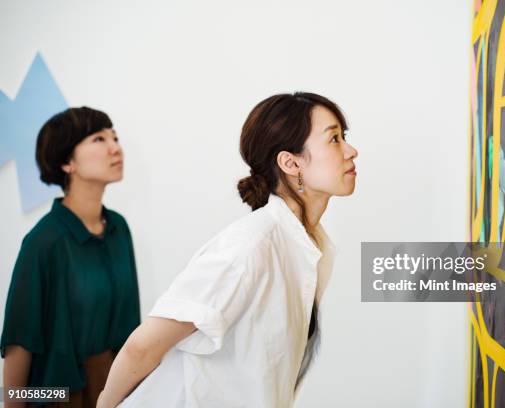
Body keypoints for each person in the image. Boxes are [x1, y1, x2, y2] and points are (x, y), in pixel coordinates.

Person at [97, 92, 358, 408]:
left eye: (344, 137)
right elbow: (143, 346)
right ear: (291, 163)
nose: (351, 151)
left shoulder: (311, 247)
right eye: (334, 139)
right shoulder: (252, 246)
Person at [1, 107, 141, 407]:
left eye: (114, 137)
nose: (116, 147)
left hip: (115, 392)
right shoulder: (43, 242)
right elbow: (20, 344)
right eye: (99, 139)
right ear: (67, 162)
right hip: (59, 397)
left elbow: (131, 330)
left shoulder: (118, 229)